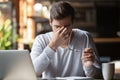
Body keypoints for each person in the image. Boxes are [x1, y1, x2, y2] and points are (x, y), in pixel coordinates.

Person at [30, 1, 102, 79]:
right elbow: (33, 72)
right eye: (57, 27)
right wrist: (53, 45)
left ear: (73, 23)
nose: (63, 31)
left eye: (67, 26)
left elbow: (97, 76)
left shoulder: (85, 37)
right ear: (50, 22)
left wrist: (88, 66)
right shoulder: (41, 40)